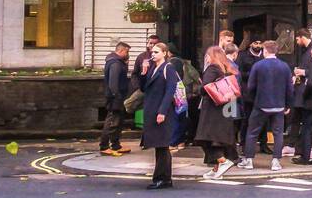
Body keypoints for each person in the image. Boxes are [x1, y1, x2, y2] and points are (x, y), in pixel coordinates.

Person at [238, 38, 294, 172]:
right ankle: (275, 162)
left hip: (261, 104)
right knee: (278, 134)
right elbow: (289, 88)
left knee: (252, 132)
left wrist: (253, 100)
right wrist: (288, 105)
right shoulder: (284, 66)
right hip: (279, 105)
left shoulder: (258, 66)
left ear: (265, 51)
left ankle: (249, 160)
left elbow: (251, 86)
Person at [140, 41, 185, 189]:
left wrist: (162, 111)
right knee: (159, 146)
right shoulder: (152, 68)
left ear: (165, 53)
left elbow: (170, 90)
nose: (153, 54)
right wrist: (143, 72)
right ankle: (163, 178)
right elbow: (143, 88)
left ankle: (162, 178)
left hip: (161, 111)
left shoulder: (168, 68)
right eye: (152, 52)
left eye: (157, 52)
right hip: (151, 110)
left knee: (162, 145)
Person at [196, 45, 242, 179]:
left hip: (212, 109)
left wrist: (199, 89)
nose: (206, 58)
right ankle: (216, 169)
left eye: (207, 55)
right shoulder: (228, 69)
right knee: (217, 139)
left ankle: (223, 161)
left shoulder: (212, 69)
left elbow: (205, 88)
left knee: (206, 138)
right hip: (225, 108)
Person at [235, 36, 268, 154]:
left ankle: (264, 144)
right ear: (250, 44)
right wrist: (253, 74)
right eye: (255, 43)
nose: (258, 45)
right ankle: (244, 144)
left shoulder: (265, 56)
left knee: (264, 119)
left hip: (262, 92)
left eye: (260, 43)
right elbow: (238, 72)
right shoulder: (242, 56)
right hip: (247, 92)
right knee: (246, 119)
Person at [99, 42, 131, 156]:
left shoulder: (118, 62)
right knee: (112, 121)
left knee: (118, 121)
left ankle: (116, 145)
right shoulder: (115, 64)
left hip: (118, 96)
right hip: (114, 97)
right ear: (121, 51)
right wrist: (116, 95)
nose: (128, 54)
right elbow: (113, 82)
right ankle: (104, 146)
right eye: (127, 52)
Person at [288, 27, 312, 156]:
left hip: (306, 92)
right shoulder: (306, 51)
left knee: (304, 120)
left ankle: (302, 147)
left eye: (297, 39)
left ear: (302, 37)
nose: (296, 42)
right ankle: (292, 145)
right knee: (296, 117)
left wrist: (302, 72)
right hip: (300, 91)